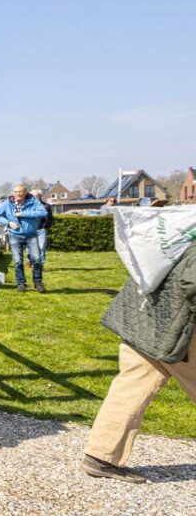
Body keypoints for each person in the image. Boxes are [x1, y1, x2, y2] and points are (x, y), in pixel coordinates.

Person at [82, 244, 196, 484]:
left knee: (133, 385)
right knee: (134, 383)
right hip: (177, 328)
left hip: (145, 316)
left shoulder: (179, 227)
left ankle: (102, 456)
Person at [0, 185, 48, 292]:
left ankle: (38, 282)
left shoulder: (33, 201)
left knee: (37, 259)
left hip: (31, 234)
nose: (18, 194)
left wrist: (23, 214)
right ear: (13, 193)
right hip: (15, 235)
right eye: (16, 192)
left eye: (20, 192)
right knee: (18, 261)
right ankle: (21, 283)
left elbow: (43, 212)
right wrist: (8, 222)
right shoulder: (8, 203)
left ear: (25, 192)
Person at [32, 188, 55, 264]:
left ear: (39, 196)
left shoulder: (46, 206)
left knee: (42, 247)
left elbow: (50, 218)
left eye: (35, 196)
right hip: (31, 229)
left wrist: (46, 226)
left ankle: (41, 265)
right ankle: (31, 262)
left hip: (41, 229)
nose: (33, 197)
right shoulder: (29, 206)